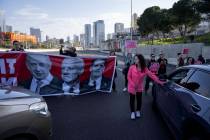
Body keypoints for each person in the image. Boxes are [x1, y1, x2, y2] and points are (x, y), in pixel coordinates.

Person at [127, 54, 164, 120]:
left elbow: (152, 75)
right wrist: (133, 84)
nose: (135, 60)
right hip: (132, 87)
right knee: (132, 100)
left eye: (136, 59)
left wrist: (159, 81)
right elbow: (128, 77)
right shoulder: (132, 67)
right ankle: (132, 112)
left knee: (139, 100)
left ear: (140, 60)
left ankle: (138, 111)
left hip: (139, 87)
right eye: (135, 59)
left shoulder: (144, 69)